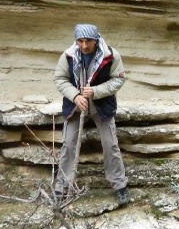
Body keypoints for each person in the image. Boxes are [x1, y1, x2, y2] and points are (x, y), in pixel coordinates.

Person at [54, 24, 130, 205]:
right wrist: (75, 96)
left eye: (88, 41)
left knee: (110, 144)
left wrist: (95, 91)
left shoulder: (110, 56)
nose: (84, 45)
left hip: (102, 107)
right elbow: (60, 79)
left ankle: (120, 185)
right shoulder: (68, 55)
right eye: (80, 41)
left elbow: (119, 79)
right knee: (68, 144)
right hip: (75, 107)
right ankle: (61, 187)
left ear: (96, 40)